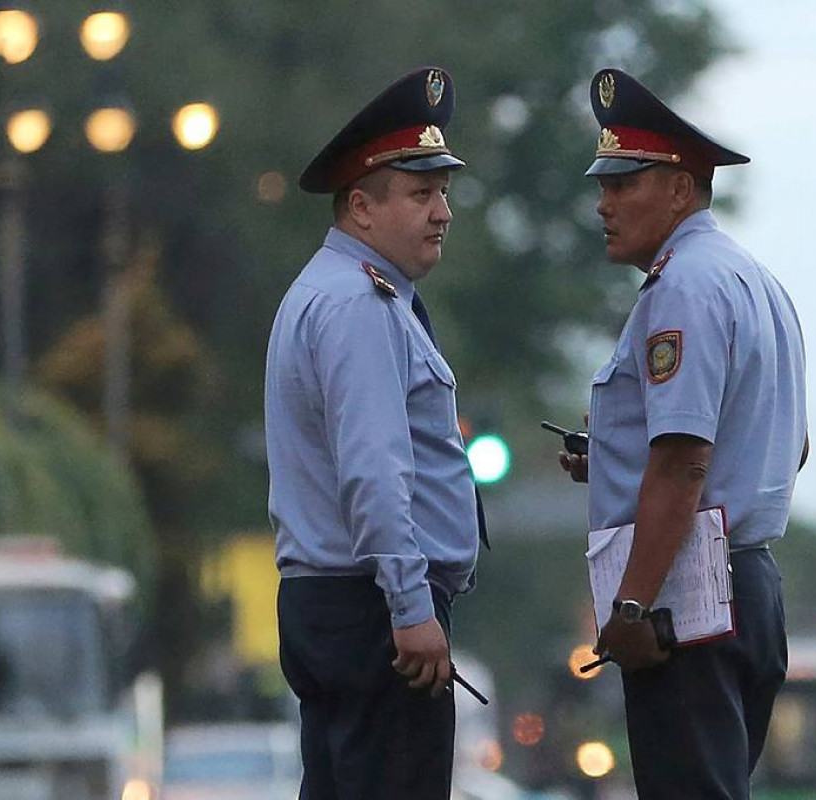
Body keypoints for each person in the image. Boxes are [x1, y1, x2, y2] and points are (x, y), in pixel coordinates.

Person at [558, 68, 808, 798]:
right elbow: (786, 445)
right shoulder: (754, 279)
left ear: (678, 186)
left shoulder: (684, 287)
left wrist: (632, 607)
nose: (603, 204)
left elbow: (682, 463)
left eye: (622, 183)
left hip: (691, 594)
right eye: (602, 185)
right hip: (749, 582)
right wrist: (609, 458)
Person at [265, 66, 485, 800]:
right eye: (421, 193)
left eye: (444, 192)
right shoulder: (360, 306)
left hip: (334, 602)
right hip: (372, 611)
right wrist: (411, 605)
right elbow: (373, 468)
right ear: (360, 207)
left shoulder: (332, 294)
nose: (443, 212)